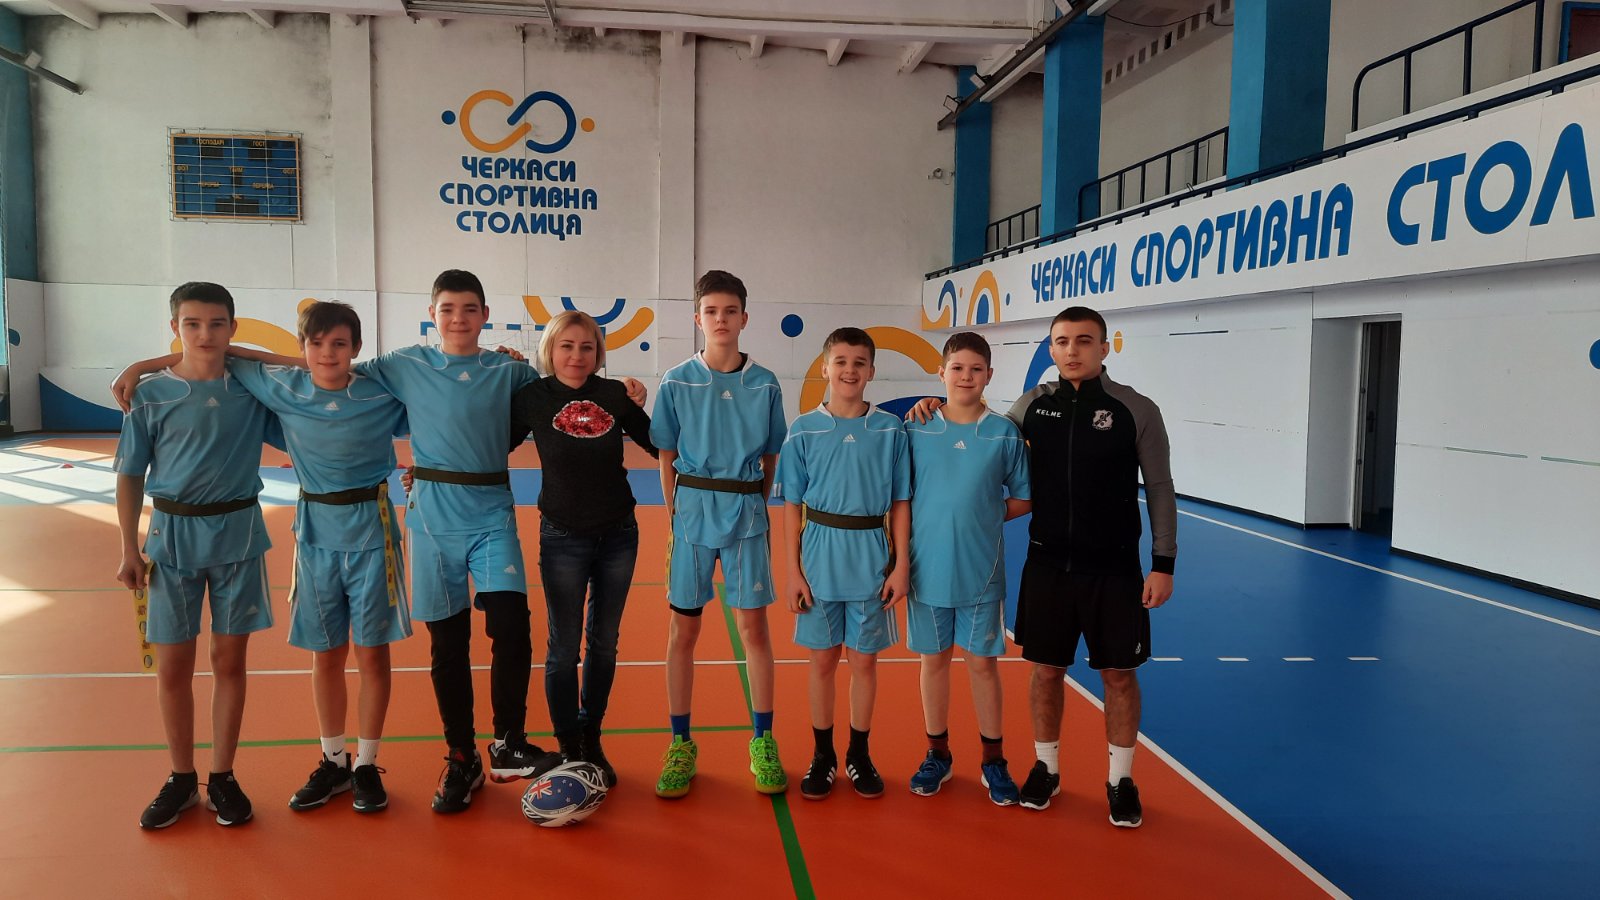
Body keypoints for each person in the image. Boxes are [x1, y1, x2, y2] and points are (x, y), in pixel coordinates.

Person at [226, 271, 643, 813]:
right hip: (431, 516)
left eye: (469, 309)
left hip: (491, 511)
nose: (458, 319)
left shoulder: (510, 371)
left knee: (511, 625)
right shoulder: (404, 363)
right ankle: (461, 757)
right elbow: (332, 363)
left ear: (485, 314)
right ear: (433, 314)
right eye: (448, 309)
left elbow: (566, 386)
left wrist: (625, 393)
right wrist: (154, 364)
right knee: (447, 644)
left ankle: (508, 742)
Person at [113, 300, 412, 814]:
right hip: (288, 535)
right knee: (321, 653)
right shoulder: (263, 387)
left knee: (367, 653)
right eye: (316, 344)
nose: (327, 353)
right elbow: (221, 353)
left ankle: (362, 765)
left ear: (356, 348)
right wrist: (143, 365)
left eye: (339, 344)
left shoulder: (373, 390)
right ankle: (325, 761)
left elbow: (436, 405)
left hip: (360, 532)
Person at [113, 282, 278, 829]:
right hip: (171, 540)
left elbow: (303, 366)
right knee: (174, 667)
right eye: (191, 324)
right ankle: (181, 778)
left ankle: (223, 776)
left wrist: (144, 360)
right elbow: (130, 475)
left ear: (233, 328)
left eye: (216, 324)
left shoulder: (251, 389)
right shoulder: (151, 395)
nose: (204, 334)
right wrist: (128, 547)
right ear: (175, 328)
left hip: (239, 536)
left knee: (229, 662)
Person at [650, 270, 789, 798]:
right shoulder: (676, 381)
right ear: (698, 318)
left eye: (730, 311)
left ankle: (763, 739)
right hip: (691, 514)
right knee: (682, 631)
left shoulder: (765, 383)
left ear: (744, 318)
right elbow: (666, 453)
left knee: (754, 629)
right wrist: (675, 511)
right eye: (711, 311)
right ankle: (680, 742)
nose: (721, 319)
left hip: (746, 514)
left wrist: (755, 501)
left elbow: (771, 457)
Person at [508, 310, 657, 788]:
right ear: (550, 350)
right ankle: (569, 745)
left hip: (619, 535)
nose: (576, 355)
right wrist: (429, 471)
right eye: (567, 346)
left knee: (604, 643)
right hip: (562, 537)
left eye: (586, 347)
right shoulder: (532, 397)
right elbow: (490, 447)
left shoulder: (614, 395)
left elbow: (660, 445)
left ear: (598, 353)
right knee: (563, 647)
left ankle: (591, 737)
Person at [777, 327, 911, 800]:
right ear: (825, 368)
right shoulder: (804, 429)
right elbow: (791, 506)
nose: (849, 370)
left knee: (864, 661)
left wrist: (900, 566)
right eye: (841, 361)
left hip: (871, 557)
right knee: (822, 660)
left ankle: (859, 752)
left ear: (872, 370)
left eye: (859, 362)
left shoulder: (890, 429)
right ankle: (822, 755)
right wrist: (793, 571)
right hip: (819, 557)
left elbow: (901, 502)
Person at [903, 332, 1031, 805]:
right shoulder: (917, 428)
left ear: (989, 376)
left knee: (982, 665)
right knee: (933, 661)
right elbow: (899, 497)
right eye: (957, 368)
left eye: (976, 369)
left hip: (981, 572)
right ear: (941, 373)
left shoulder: (1003, 433)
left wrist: (983, 514)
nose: (966, 376)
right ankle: (937, 753)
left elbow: (1023, 498)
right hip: (925, 569)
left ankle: (993, 761)